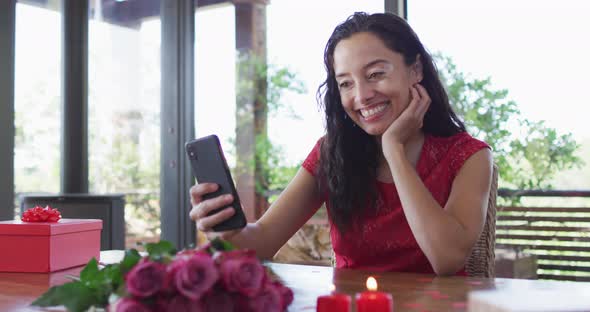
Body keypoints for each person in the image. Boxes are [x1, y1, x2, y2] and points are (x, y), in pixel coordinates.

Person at [190, 12, 493, 276]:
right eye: (346, 83)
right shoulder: (331, 153)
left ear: (415, 70)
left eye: (375, 74)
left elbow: (447, 259)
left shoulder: (469, 156)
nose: (361, 96)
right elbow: (263, 241)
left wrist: (394, 151)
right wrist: (226, 230)